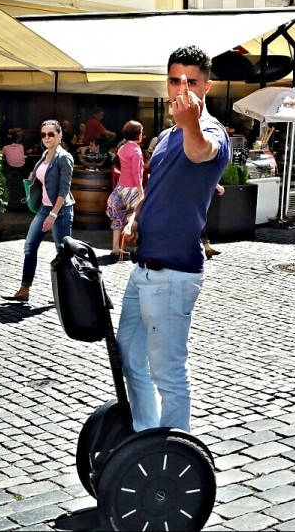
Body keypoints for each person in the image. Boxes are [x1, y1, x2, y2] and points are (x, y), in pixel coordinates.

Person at [116, 45, 230, 433]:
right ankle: (146, 434)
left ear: (206, 87)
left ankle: (174, 451)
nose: (182, 89)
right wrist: (135, 218)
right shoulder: (166, 136)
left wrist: (191, 123)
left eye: (191, 82)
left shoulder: (211, 132)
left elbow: (200, 152)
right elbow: (154, 190)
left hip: (174, 272)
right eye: (174, 80)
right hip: (144, 267)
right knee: (129, 356)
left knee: (168, 371)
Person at [8, 119, 75, 303]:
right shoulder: (45, 153)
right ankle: (24, 290)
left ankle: (66, 294)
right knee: (30, 246)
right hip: (44, 208)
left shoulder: (64, 158)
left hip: (60, 210)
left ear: (60, 135)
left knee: (62, 253)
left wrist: (53, 215)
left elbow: (64, 189)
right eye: (43, 134)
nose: (46, 137)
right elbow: (40, 175)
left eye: (51, 134)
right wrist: (33, 178)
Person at [106, 121, 145, 259]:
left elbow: (119, 166)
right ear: (137, 134)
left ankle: (115, 248)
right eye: (141, 132)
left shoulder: (122, 148)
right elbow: (136, 173)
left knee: (117, 218)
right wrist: (140, 190)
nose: (143, 135)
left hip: (120, 188)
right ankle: (136, 248)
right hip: (132, 189)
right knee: (135, 218)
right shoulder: (136, 151)